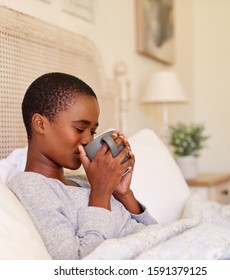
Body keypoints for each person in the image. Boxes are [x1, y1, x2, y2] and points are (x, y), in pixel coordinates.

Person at [7, 72, 157, 260]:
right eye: (79, 129)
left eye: (93, 131)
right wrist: (101, 192)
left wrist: (123, 194)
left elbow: (156, 233)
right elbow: (77, 263)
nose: (88, 140)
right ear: (40, 124)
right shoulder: (30, 185)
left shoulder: (85, 181)